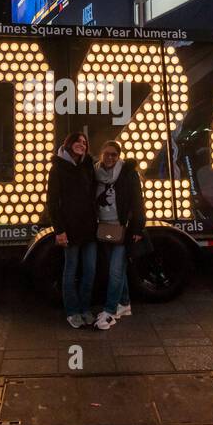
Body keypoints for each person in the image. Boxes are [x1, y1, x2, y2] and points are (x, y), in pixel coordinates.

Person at [91, 141, 145, 330]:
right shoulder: (94, 172)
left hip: (122, 229)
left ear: (119, 156)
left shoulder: (128, 173)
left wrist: (138, 228)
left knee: (115, 270)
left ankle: (110, 311)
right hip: (102, 228)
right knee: (115, 270)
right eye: (107, 154)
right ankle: (124, 303)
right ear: (101, 154)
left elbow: (138, 200)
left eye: (114, 154)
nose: (110, 158)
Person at [47, 131, 97, 328]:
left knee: (90, 271)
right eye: (77, 141)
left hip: (90, 228)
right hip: (70, 228)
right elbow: (52, 202)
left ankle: (85, 308)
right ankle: (72, 311)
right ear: (68, 144)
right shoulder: (58, 168)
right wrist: (59, 230)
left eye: (84, 142)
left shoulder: (88, 166)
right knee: (70, 271)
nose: (81, 144)